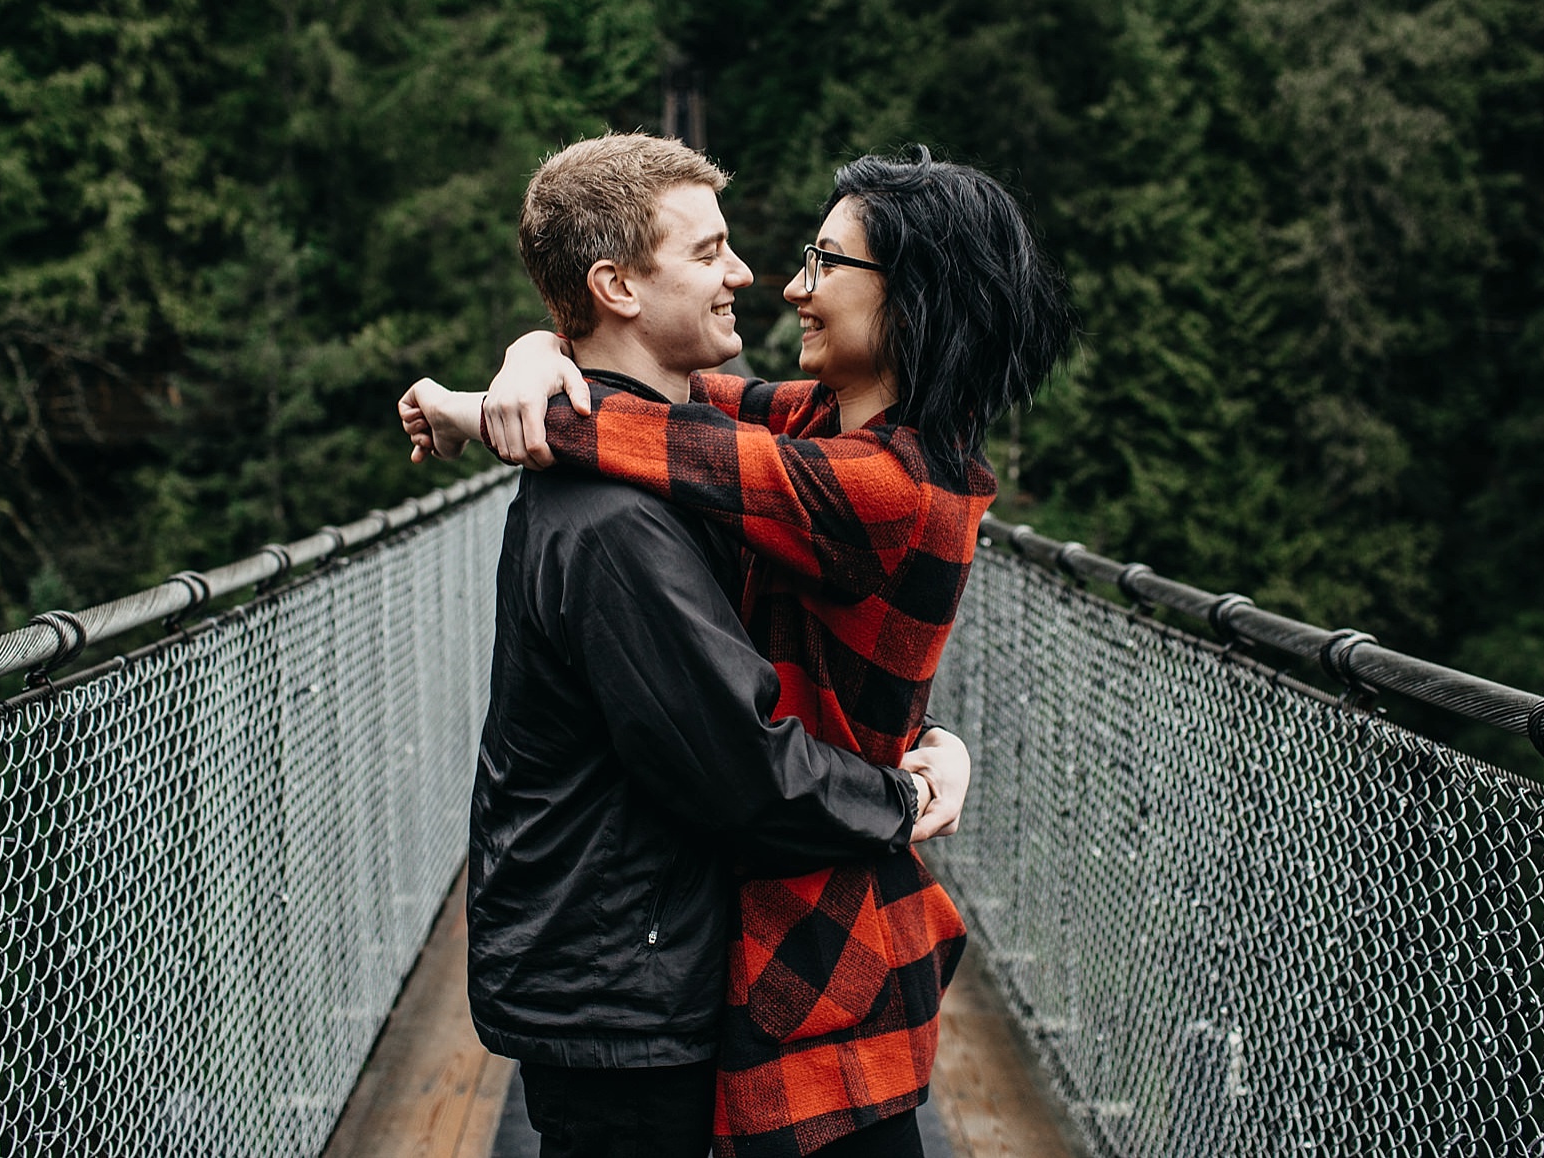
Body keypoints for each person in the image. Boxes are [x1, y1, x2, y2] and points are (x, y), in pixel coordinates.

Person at [405, 143, 1072, 1157]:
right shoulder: (801, 437)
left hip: (811, 924)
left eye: (823, 262)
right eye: (715, 250)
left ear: (910, 297)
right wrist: (536, 360)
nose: (777, 281)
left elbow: (658, 437)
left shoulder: (876, 482)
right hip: (720, 940)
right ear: (617, 285)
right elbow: (678, 423)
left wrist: (501, 395)